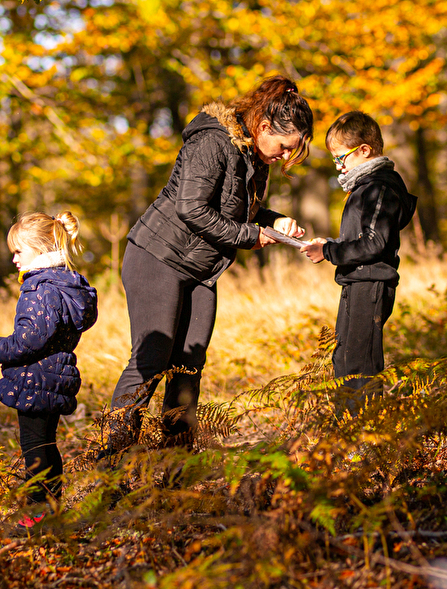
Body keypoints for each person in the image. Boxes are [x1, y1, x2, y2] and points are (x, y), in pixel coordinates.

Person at [102, 75, 314, 454]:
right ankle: (107, 462)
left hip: (200, 269)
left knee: (188, 366)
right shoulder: (213, 141)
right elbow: (192, 208)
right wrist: (251, 235)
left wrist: (272, 220)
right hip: (158, 256)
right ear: (264, 127)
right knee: (151, 361)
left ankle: (174, 467)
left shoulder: (255, 157)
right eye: (284, 147)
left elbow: (233, 207)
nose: (284, 156)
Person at [0, 212, 99, 523]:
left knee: (34, 449)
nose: (15, 260)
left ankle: (36, 514)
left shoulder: (40, 288)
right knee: (47, 444)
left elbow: (30, 339)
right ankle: (52, 508)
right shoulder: (66, 285)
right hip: (56, 375)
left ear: (42, 249)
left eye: (19, 251)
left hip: (35, 379)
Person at [301, 112, 416, 400]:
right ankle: (349, 432)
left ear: (364, 150)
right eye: (334, 159)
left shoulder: (380, 187)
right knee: (343, 360)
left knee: (360, 365)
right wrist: (329, 244)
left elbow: (375, 243)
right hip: (356, 282)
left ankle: (366, 437)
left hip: (371, 285)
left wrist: (329, 251)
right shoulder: (364, 187)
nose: (338, 166)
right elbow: (360, 240)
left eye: (341, 157)